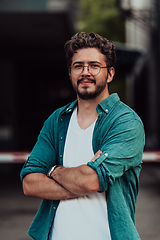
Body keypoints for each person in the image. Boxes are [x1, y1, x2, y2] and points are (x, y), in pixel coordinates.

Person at [20, 32, 145, 240]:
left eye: (94, 66)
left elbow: (91, 181)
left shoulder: (125, 122)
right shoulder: (57, 120)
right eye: (78, 66)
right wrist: (81, 179)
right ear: (70, 72)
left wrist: (52, 171)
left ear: (110, 73)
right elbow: (29, 183)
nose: (85, 72)